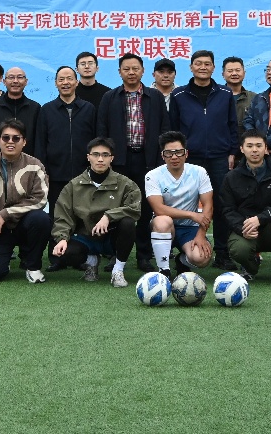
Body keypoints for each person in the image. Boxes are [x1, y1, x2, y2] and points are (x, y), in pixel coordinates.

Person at [97, 53, 172, 270]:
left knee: (147, 208)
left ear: (143, 71)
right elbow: (102, 130)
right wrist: (106, 158)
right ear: (119, 72)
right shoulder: (109, 97)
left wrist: (161, 158)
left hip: (148, 160)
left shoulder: (155, 97)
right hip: (119, 161)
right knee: (116, 206)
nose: (131, 72)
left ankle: (143, 255)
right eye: (126, 69)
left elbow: (165, 128)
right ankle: (115, 254)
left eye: (135, 68)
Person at [169, 49, 239, 270]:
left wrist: (232, 152)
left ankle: (222, 253)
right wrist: (177, 154)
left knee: (221, 204)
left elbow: (232, 125)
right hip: (189, 158)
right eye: (198, 63)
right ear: (191, 67)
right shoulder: (179, 95)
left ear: (213, 68)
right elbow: (173, 129)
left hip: (219, 158)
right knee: (185, 203)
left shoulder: (225, 93)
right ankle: (182, 251)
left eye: (207, 64)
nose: (202, 67)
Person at [50, 137, 142, 287]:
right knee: (64, 253)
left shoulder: (126, 184)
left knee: (128, 223)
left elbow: (134, 209)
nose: (100, 159)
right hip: (85, 237)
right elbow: (63, 216)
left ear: (111, 158)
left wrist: (108, 216)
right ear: (88, 157)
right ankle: (91, 261)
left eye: (105, 155)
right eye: (96, 154)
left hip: (112, 237)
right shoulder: (73, 185)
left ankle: (118, 270)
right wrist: (62, 238)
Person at [0, 119, 52, 283]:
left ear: (24, 142)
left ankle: (33, 266)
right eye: (5, 137)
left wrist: (6, 213)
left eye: (16, 138)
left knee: (41, 219)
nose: (10, 142)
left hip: (25, 226)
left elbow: (40, 199)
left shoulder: (35, 166)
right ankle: (3, 261)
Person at [221, 129, 271, 287]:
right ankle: (250, 268)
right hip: (246, 229)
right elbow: (227, 210)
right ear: (242, 149)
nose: (254, 150)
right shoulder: (231, 177)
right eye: (249, 146)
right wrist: (242, 228)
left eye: (259, 145)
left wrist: (261, 218)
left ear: (266, 149)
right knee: (238, 250)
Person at [144, 131, 214, 277]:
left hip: (190, 228)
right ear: (163, 155)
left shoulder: (199, 172)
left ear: (186, 153)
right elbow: (158, 209)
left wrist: (201, 234)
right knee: (163, 221)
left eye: (178, 152)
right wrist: (191, 214)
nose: (174, 157)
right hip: (165, 227)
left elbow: (208, 206)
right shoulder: (152, 175)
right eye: (169, 153)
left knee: (202, 258)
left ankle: (181, 261)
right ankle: (164, 271)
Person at [35, 66, 97, 216]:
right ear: (55, 83)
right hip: (55, 175)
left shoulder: (89, 109)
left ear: (77, 82)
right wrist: (43, 172)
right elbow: (40, 144)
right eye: (61, 79)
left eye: (69, 78)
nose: (65, 82)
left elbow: (96, 141)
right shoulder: (47, 110)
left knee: (84, 216)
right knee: (57, 215)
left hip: (84, 174)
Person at [0, 66, 42, 158]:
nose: (15, 81)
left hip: (28, 162)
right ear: (4, 81)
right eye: (11, 77)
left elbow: (39, 140)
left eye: (20, 77)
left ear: (26, 82)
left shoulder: (35, 108)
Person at [222, 56, 254, 127]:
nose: (234, 73)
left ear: (244, 73)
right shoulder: (214, 97)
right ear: (223, 75)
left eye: (238, 70)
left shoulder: (254, 98)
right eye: (230, 71)